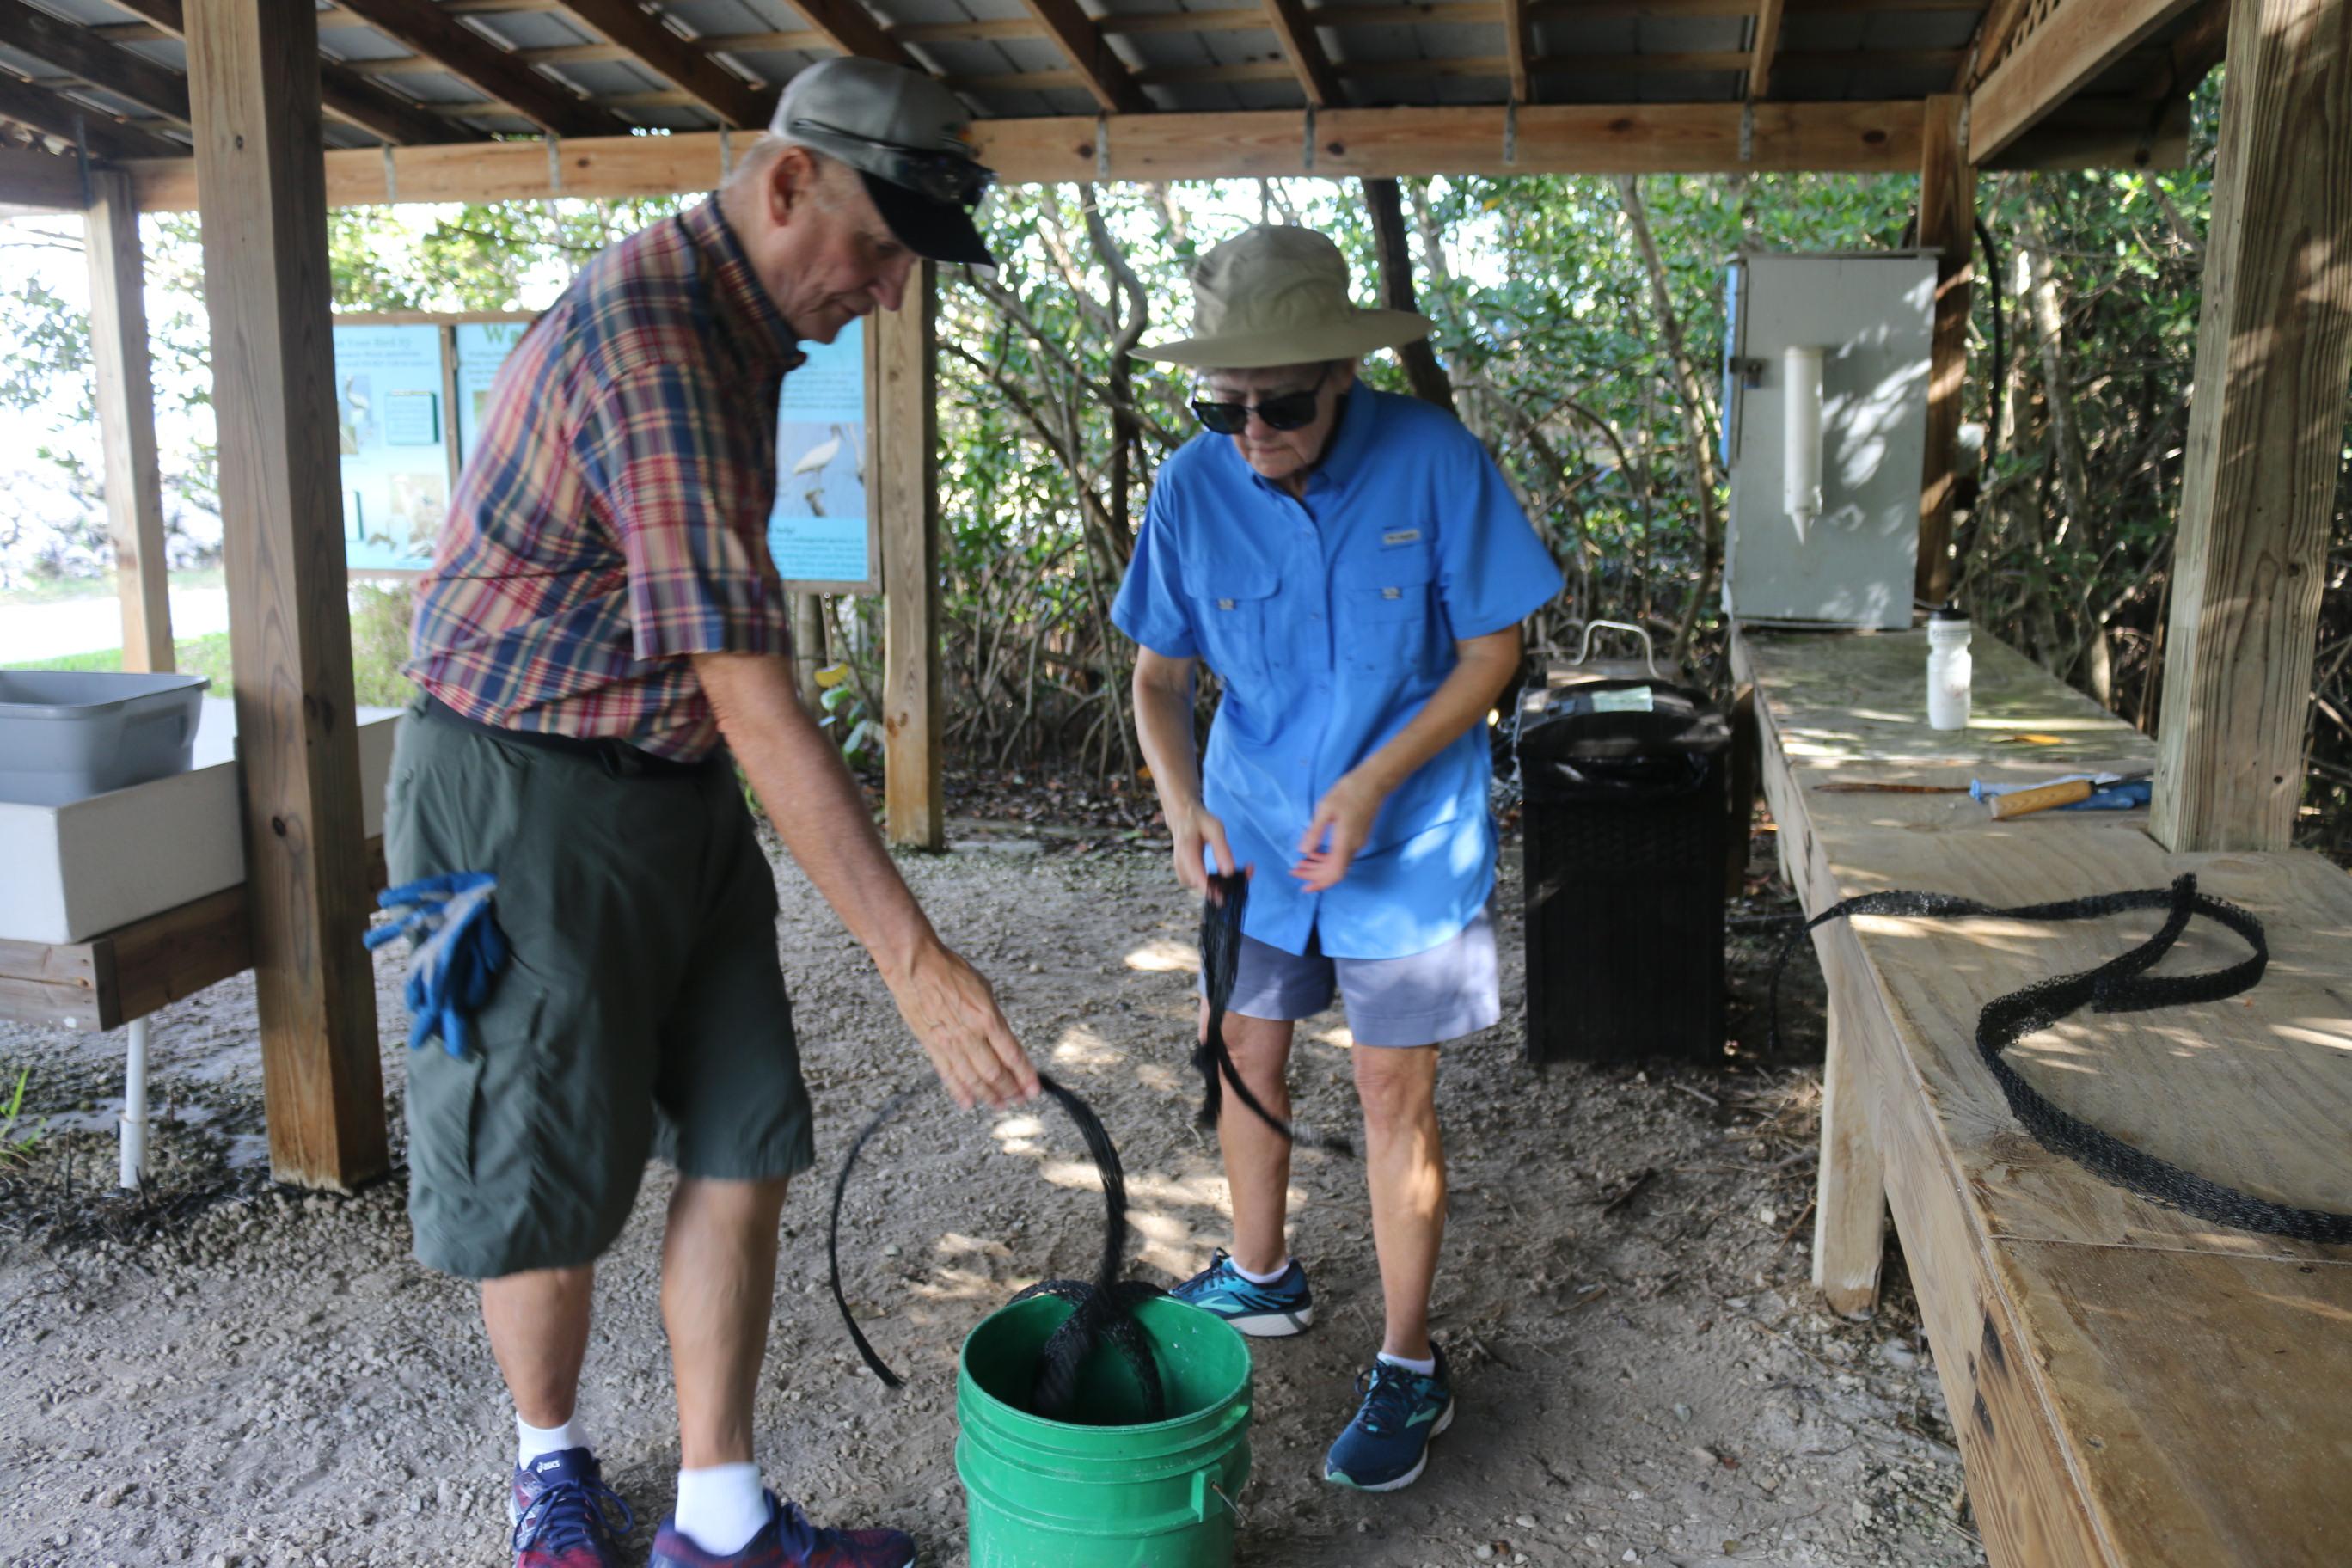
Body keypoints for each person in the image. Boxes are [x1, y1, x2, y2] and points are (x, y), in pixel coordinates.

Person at [389, 58, 1036, 1568]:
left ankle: (719, 1518)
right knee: (527, 1165)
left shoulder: (747, 336)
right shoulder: (659, 342)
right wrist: (917, 965)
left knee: (748, 1133)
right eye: (880, 250)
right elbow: (760, 704)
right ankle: (552, 1470)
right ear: (789, 180)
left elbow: (720, 705)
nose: (885, 294)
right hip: (503, 793)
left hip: (670, 786)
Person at [1112, 224, 1562, 1492]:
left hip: (1410, 843)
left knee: (1388, 1097)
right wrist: (1182, 805)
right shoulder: (1194, 484)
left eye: (1282, 404)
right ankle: (1262, 1276)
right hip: (1251, 839)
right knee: (1243, 1058)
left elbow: (1492, 654)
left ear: (1344, 373)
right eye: (1222, 405)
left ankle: (1410, 1365)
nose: (1249, 432)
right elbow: (1156, 680)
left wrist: (1372, 781)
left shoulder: (1434, 463)